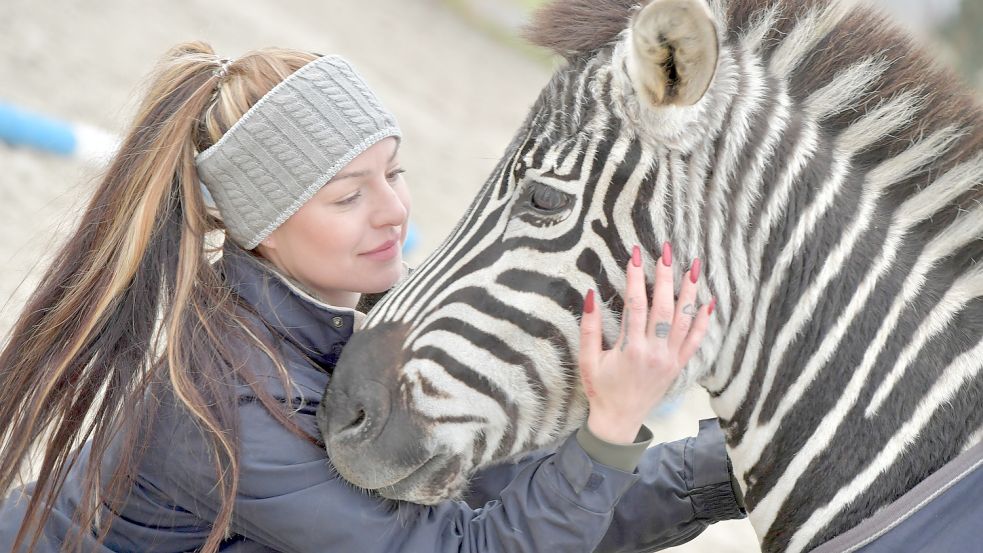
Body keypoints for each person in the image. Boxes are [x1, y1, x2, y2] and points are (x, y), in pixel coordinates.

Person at [0, 42, 744, 552]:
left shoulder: (344, 331)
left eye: (395, 171)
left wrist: (738, 461)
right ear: (264, 226)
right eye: (348, 195)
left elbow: (515, 492)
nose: (393, 211)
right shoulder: (235, 404)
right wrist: (610, 426)